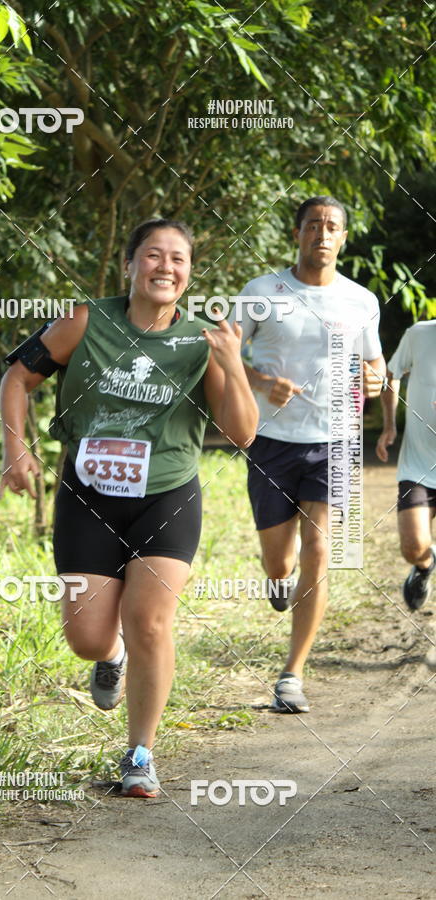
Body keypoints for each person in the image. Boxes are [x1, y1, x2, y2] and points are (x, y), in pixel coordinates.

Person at [0, 218, 258, 797]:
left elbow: (241, 434)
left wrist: (234, 364)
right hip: (88, 495)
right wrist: (16, 449)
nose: (166, 267)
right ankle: (110, 654)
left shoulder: (202, 341)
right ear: (129, 265)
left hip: (167, 496)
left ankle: (140, 753)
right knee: (87, 638)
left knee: (151, 621)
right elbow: (17, 377)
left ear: (189, 274)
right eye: (153, 255)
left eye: (178, 259)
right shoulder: (85, 321)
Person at [230, 196, 386, 714]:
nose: (323, 233)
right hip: (271, 441)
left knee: (319, 549)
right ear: (296, 234)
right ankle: (278, 578)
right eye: (313, 225)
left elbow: (376, 364)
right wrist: (260, 382)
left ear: (343, 238)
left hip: (335, 440)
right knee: (281, 560)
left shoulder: (361, 300)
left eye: (332, 226)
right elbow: (223, 354)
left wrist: (375, 379)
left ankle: (292, 674)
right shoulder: (260, 293)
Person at [376, 320, 436, 609]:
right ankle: (424, 567)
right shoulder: (418, 334)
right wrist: (389, 425)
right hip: (418, 465)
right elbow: (391, 374)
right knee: (413, 547)